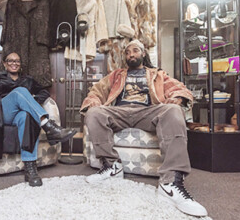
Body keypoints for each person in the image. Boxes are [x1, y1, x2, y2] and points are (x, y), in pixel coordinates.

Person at [80, 40, 207, 217]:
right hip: (120, 112)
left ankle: (170, 183)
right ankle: (111, 166)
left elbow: (178, 88)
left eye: (135, 51)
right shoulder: (116, 75)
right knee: (94, 113)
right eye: (127, 52)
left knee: (173, 110)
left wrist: (177, 98)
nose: (131, 55)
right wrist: (94, 103)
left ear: (143, 54)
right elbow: (96, 91)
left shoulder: (157, 74)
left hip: (148, 111)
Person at [0, 52, 76, 187]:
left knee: (27, 117)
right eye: (10, 61)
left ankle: (30, 168)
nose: (14, 63)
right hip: (2, 112)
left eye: (17, 61)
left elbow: (44, 92)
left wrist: (32, 103)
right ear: (4, 63)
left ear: (20, 65)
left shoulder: (28, 80)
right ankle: (48, 125)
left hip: (19, 116)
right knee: (19, 92)